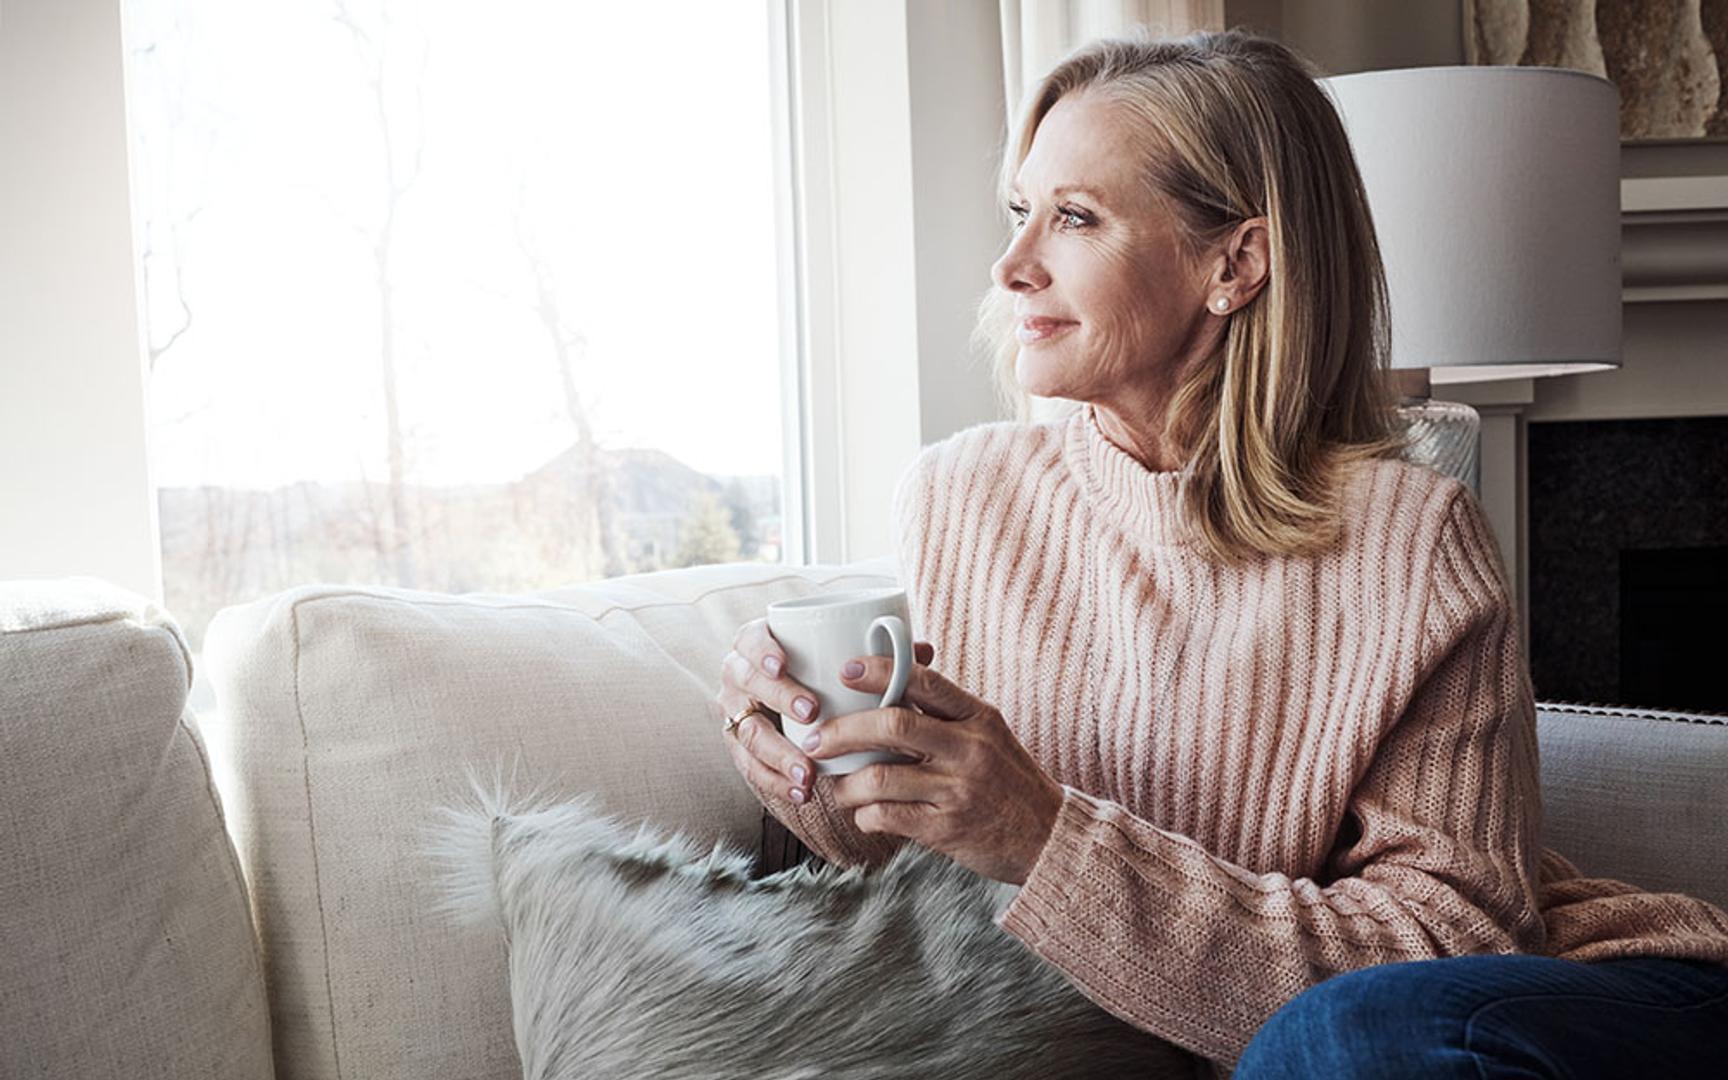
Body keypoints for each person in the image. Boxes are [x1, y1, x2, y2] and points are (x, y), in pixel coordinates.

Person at [716, 29, 1728, 1078]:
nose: (1012, 266)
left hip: (1589, 1001)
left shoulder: (1409, 540)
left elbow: (1447, 947)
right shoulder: (961, 498)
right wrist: (811, 770)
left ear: (1234, 264)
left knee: (1338, 1037)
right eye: (1023, 212)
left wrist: (1047, 838)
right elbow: (934, 891)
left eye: (1075, 218)